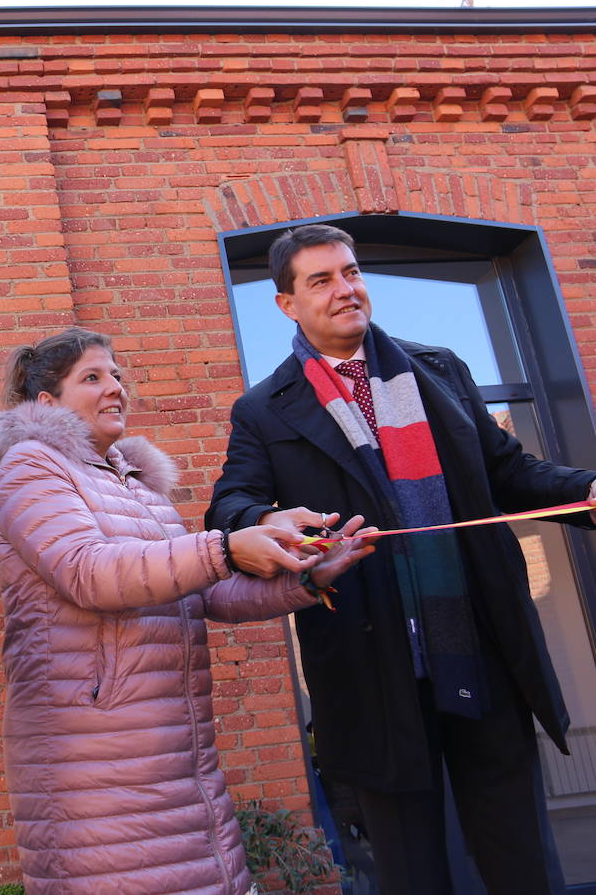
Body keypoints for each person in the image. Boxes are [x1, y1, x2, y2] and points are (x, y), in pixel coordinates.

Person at [205, 223, 596, 894]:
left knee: (520, 860)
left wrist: (587, 491)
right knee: (412, 871)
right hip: (370, 665)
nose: (345, 289)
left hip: (481, 646)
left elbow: (511, 473)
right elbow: (230, 506)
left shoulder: (440, 368)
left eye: (351, 273)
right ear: (286, 304)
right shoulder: (264, 408)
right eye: (321, 280)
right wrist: (268, 522)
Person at [0, 327, 374, 894]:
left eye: (116, 374)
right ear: (46, 402)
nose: (114, 387)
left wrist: (306, 575)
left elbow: (203, 594)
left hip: (177, 749)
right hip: (94, 760)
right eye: (92, 377)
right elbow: (89, 572)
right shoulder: (30, 467)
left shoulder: (138, 487)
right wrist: (226, 547)